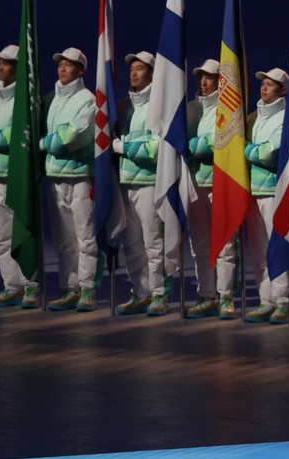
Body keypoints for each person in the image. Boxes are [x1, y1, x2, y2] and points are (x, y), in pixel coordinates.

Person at [40, 47, 98, 312]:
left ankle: (87, 290)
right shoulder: (53, 100)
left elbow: (71, 137)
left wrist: (42, 143)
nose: (63, 68)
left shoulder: (88, 100)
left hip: (79, 177)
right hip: (55, 177)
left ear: (81, 70)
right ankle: (70, 288)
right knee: (63, 239)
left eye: (69, 64)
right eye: (60, 63)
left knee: (84, 237)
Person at [0, 44, 40, 309]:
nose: (0, 66)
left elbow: (19, 135)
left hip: (17, 175)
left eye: (6, 63)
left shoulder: (26, 98)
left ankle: (31, 284)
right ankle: (12, 285)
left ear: (19, 68)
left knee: (23, 230)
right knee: (2, 236)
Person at [113, 51, 166, 316]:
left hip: (149, 182)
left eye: (140, 69)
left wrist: (120, 146)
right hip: (126, 183)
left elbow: (153, 149)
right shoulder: (126, 107)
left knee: (152, 242)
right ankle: (141, 292)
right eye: (132, 68)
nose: (134, 73)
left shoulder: (159, 106)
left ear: (152, 73)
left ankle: (159, 294)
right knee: (131, 243)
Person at [185, 59, 237, 319]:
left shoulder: (227, 108)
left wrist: (194, 144)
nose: (204, 83)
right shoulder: (195, 110)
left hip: (220, 185)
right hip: (197, 184)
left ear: (220, 81)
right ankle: (207, 294)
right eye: (201, 78)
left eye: (210, 78)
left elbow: (213, 144)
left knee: (225, 242)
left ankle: (226, 297)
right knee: (200, 244)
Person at [243, 68, 289, 324]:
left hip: (274, 192)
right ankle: (266, 300)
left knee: (277, 248)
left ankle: (283, 301)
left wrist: (246, 150)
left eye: (270, 85)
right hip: (254, 192)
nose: (263, 88)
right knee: (259, 249)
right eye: (263, 84)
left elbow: (269, 153)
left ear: (283, 90)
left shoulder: (284, 117)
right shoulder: (255, 117)